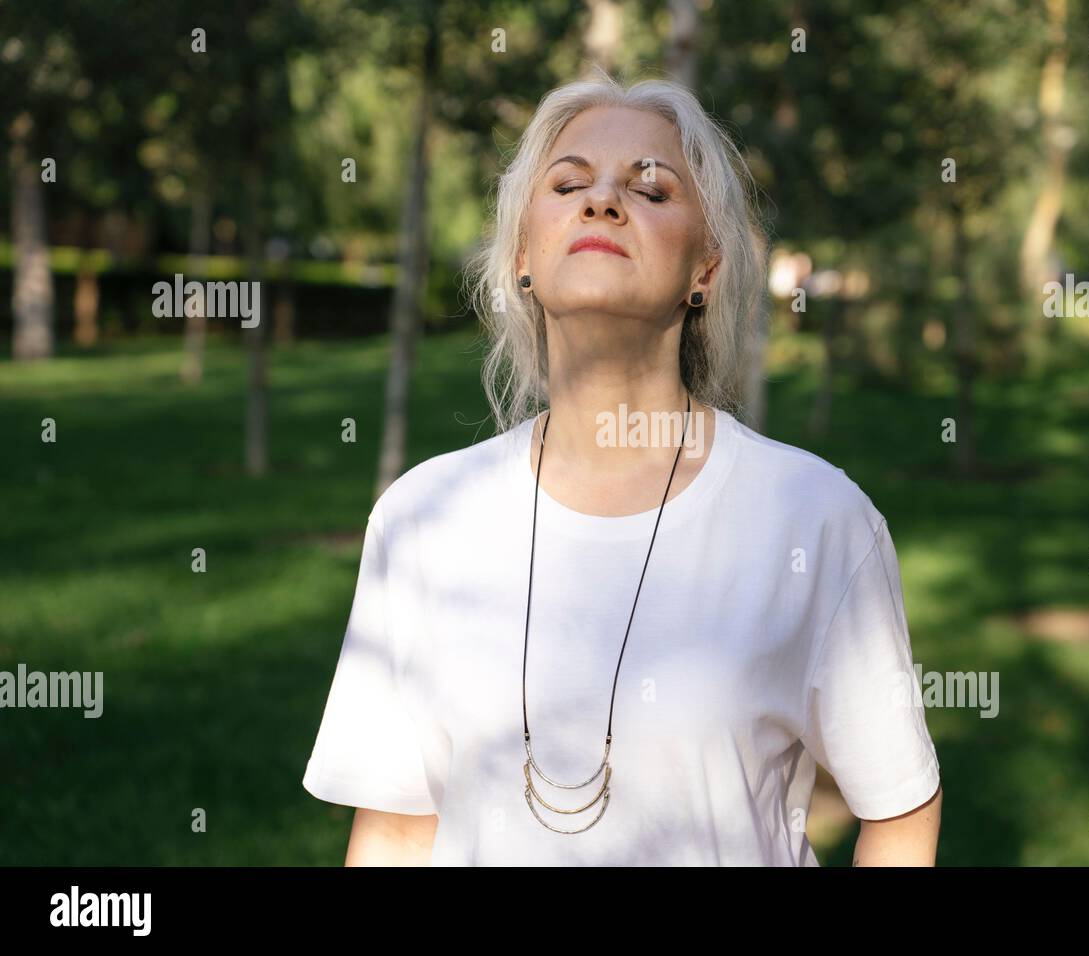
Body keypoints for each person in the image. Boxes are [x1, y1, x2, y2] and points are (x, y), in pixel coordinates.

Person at [302, 69, 942, 866]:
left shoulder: (813, 519)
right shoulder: (422, 516)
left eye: (651, 190)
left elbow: (901, 807)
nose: (602, 201)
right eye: (569, 184)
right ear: (525, 256)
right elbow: (397, 832)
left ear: (705, 270)